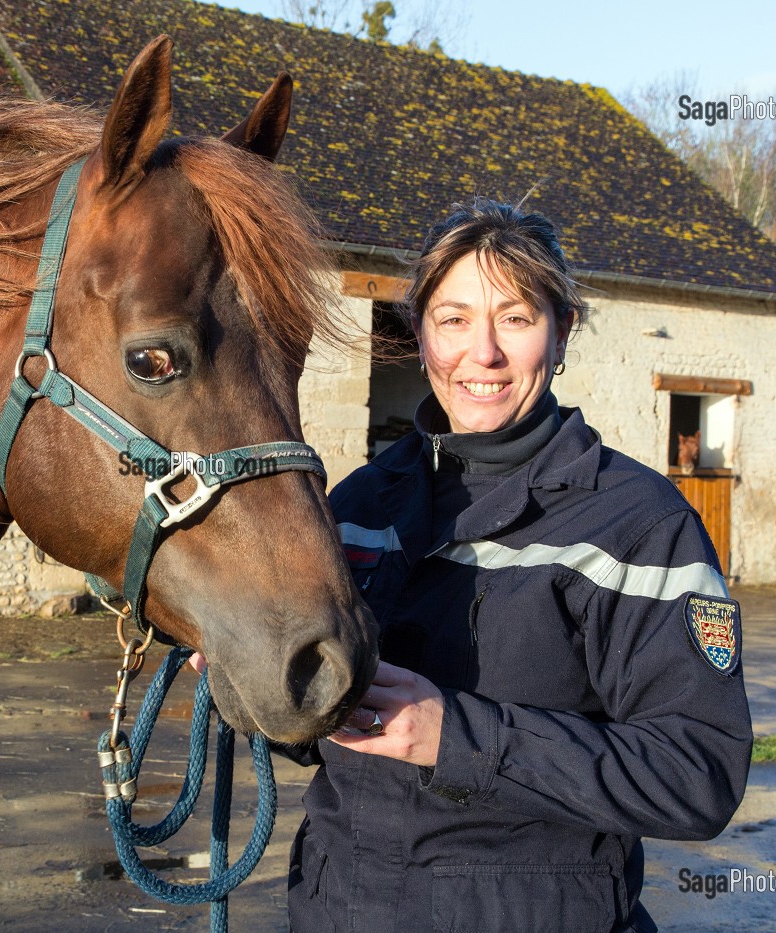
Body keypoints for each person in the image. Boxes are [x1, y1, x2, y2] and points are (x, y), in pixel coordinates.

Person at [284, 199, 752, 932]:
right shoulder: (357, 504)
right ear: (420, 335)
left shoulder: (639, 524)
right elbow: (315, 731)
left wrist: (459, 737)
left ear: (561, 332)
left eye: (515, 318)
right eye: (454, 319)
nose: (484, 354)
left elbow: (699, 774)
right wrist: (261, 687)